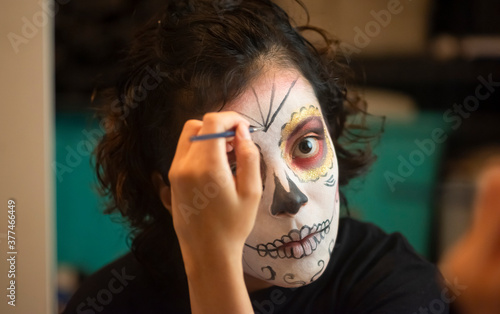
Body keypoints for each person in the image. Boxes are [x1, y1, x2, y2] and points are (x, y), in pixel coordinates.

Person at [63, 0, 448, 313]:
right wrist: (213, 260)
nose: (290, 198)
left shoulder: (395, 284)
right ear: (171, 195)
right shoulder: (106, 304)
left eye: (306, 145)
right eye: (234, 167)